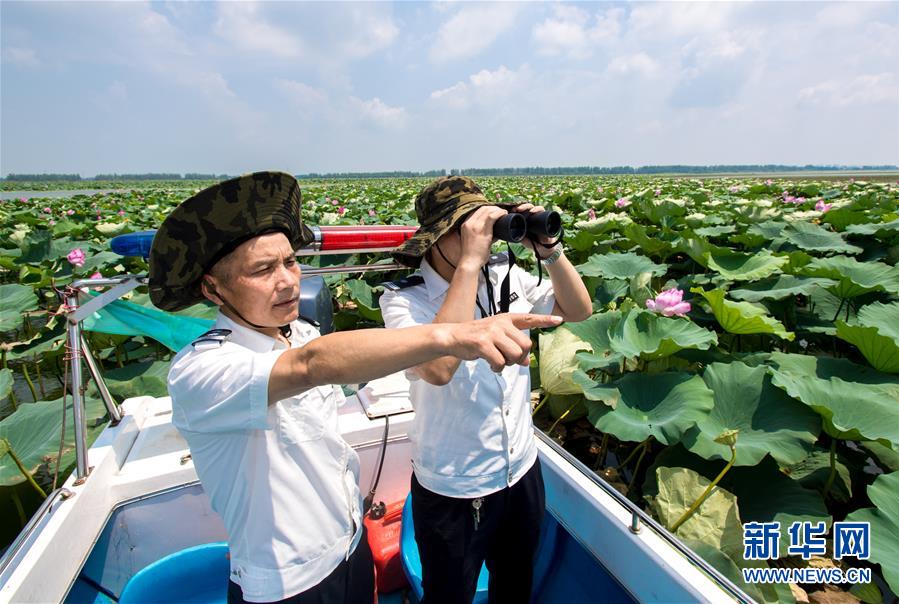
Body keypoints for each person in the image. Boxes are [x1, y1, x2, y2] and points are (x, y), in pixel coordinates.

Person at [147, 171, 563, 604]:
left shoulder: (301, 332)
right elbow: (313, 365)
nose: (288, 280)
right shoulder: (202, 369)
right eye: (263, 270)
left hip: (350, 548)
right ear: (213, 288)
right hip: (286, 581)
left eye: (290, 262)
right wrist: (456, 335)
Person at [379, 176, 592, 604]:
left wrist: (549, 250)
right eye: (468, 229)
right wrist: (469, 266)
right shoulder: (404, 299)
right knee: (449, 595)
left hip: (519, 467)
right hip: (455, 483)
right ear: (438, 238)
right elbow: (438, 367)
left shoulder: (506, 273)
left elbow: (579, 310)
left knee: (514, 582)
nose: (486, 241)